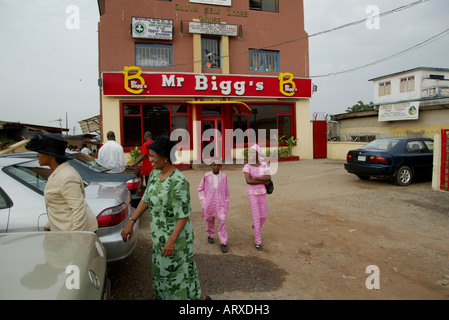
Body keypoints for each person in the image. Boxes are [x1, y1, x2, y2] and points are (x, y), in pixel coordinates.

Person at [121, 136, 209, 300]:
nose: (150, 159)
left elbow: (183, 216)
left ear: (165, 157)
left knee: (177, 274)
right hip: (159, 236)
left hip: (176, 238)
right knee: (161, 273)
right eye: (150, 155)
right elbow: (146, 199)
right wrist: (131, 222)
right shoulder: (154, 175)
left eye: (153, 156)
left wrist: (171, 241)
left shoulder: (178, 181)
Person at [25, 133, 98, 232]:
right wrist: (49, 224)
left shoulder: (67, 177)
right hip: (63, 233)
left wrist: (76, 238)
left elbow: (78, 210)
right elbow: (59, 205)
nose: (37, 156)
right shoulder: (57, 174)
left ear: (50, 155)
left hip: (74, 234)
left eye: (40, 152)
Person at [242, 144, 271, 251]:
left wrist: (254, 177)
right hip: (252, 194)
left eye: (253, 152)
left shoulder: (264, 165)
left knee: (264, 215)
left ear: (258, 153)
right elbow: (248, 181)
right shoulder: (247, 166)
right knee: (256, 216)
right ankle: (258, 241)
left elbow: (269, 177)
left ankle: (256, 227)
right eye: (249, 152)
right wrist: (262, 179)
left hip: (262, 192)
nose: (251, 154)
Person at [198, 161, 230, 253]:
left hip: (221, 204)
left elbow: (226, 191)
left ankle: (223, 242)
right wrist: (204, 201)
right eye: (214, 165)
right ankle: (210, 235)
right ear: (211, 165)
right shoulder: (206, 176)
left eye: (218, 165)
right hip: (209, 203)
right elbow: (200, 189)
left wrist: (226, 203)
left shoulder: (224, 176)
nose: (216, 167)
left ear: (221, 165)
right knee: (210, 219)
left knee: (222, 221)